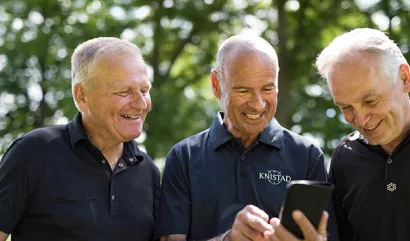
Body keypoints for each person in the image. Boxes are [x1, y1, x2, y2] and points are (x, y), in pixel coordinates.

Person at [155, 35, 332, 241]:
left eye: (267, 88)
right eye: (243, 90)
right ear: (216, 84)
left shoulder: (307, 155)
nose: (258, 105)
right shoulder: (183, 157)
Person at [0, 37, 160, 241]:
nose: (141, 104)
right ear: (81, 96)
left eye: (144, 91)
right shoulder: (34, 152)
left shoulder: (149, 171)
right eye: (124, 91)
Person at [316, 28, 410, 241]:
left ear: (404, 78)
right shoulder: (345, 157)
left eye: (370, 101)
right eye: (345, 107)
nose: (360, 120)